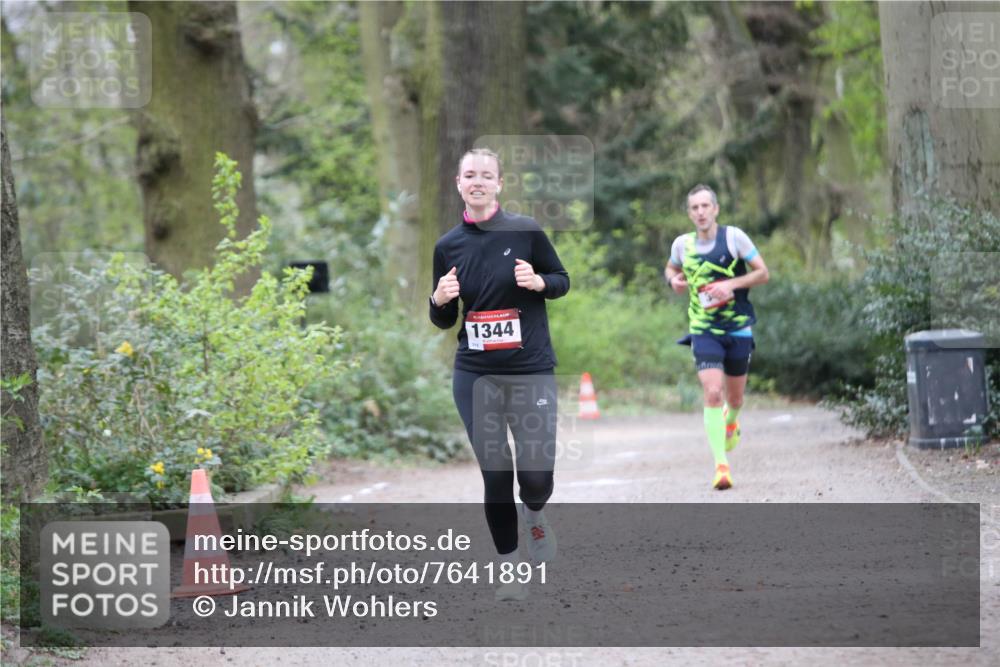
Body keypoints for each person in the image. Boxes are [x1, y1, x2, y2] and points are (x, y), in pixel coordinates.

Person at [429, 147, 570, 601]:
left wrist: (541, 283)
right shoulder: (447, 245)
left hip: (530, 370)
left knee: (534, 475)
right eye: (469, 174)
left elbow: (562, 278)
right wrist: (439, 300)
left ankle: (534, 514)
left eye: (486, 175)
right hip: (476, 374)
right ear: (458, 183)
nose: (478, 181)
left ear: (499, 183)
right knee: (495, 473)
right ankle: (510, 569)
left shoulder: (526, 231)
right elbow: (444, 321)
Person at [664, 184, 769, 491]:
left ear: (715, 209)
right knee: (713, 393)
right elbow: (670, 268)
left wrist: (731, 285)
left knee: (735, 398)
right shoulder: (682, 245)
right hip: (703, 329)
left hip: (737, 329)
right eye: (694, 208)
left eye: (705, 206)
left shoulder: (734, 238)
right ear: (689, 213)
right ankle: (721, 466)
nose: (700, 212)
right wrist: (674, 281)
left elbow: (763, 273)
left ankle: (732, 419)